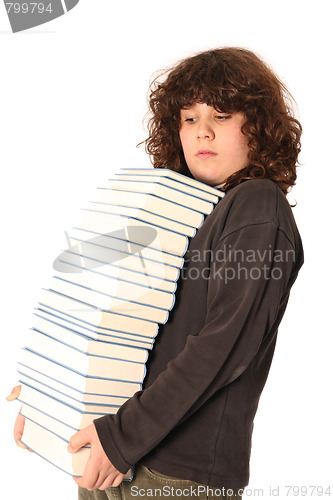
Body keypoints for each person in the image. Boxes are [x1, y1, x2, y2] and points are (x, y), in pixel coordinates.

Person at [8, 47, 304, 499]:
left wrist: (122, 437)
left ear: (258, 128)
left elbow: (223, 345)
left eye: (221, 115)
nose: (202, 131)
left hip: (175, 475)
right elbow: (108, 312)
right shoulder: (179, 211)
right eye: (189, 118)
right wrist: (54, 399)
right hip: (115, 454)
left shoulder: (257, 205)